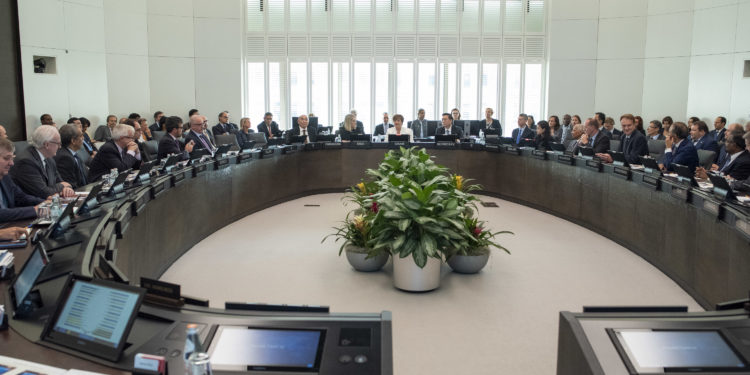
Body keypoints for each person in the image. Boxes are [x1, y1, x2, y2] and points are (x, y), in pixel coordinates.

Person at [10, 125, 75, 199]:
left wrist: (67, 188)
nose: (60, 147)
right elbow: (44, 193)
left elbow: (60, 181)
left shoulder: (49, 158)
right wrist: (63, 186)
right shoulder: (26, 162)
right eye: (58, 144)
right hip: (32, 206)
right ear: (47, 145)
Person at [0, 138, 45, 222]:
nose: (12, 163)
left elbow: (21, 197)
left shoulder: (5, 177)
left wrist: (45, 203)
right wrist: (34, 210)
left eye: (12, 158)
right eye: (6, 158)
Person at [54, 124, 88, 188]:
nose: (83, 138)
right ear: (73, 141)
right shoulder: (65, 158)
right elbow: (71, 184)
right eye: (81, 136)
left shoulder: (74, 154)